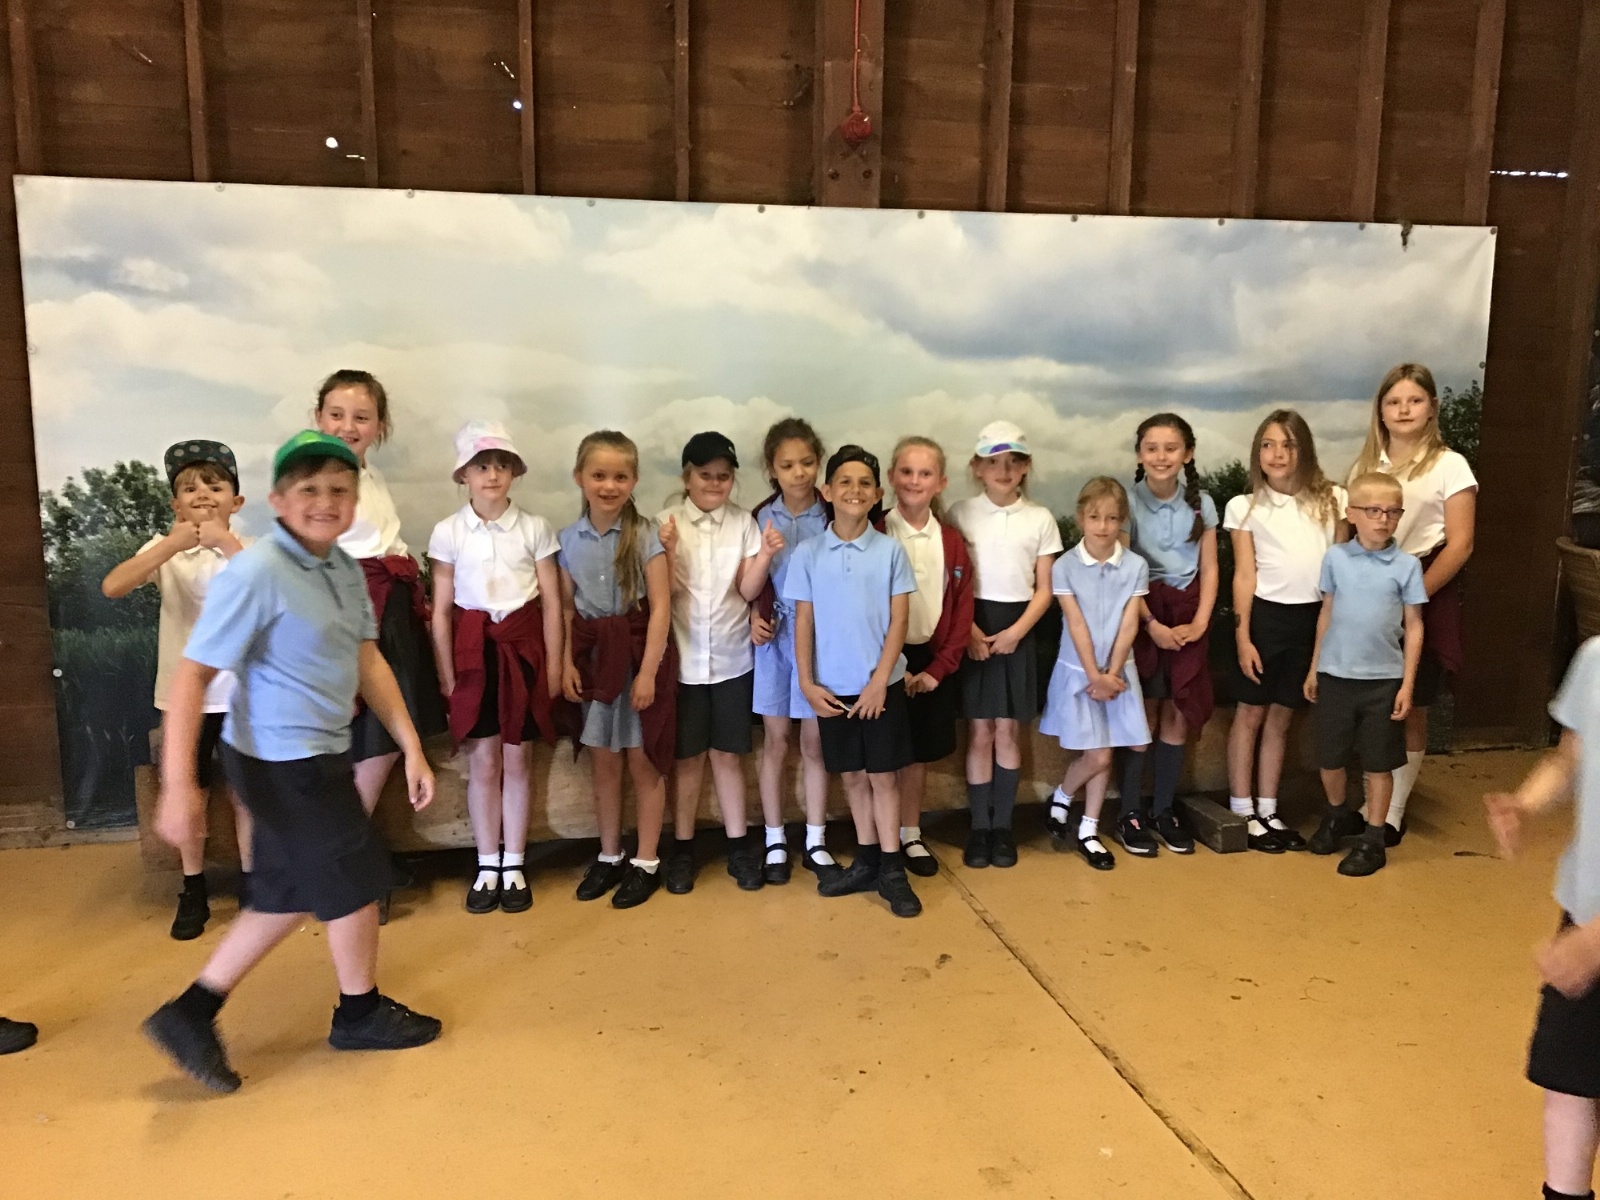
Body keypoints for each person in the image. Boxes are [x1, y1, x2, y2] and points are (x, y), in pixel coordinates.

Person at [143, 431, 441, 1095]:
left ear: (354, 500)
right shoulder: (256, 573)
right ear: (278, 500)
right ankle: (357, 1012)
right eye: (308, 489)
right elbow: (192, 677)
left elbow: (368, 660)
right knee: (351, 879)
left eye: (339, 489)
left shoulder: (343, 570)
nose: (325, 501)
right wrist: (179, 787)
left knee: (292, 889)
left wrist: (412, 745)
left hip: (319, 752)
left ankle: (193, 1011)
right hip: (280, 761)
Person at [102, 440, 255, 939]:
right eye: (190, 489)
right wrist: (171, 545)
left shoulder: (251, 548)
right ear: (175, 504)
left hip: (242, 693)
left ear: (236, 501)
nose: (203, 494)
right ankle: (193, 886)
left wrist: (225, 543)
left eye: (215, 486)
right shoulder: (164, 550)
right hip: (184, 698)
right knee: (188, 789)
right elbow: (113, 586)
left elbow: (268, 593)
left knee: (245, 793)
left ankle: (254, 883)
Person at [315, 369, 446, 915]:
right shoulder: (319, 478)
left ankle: (354, 857)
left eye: (362, 417)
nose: (349, 426)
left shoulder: (369, 475)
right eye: (337, 415)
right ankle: (342, 867)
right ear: (318, 418)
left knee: (387, 737)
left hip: (388, 612)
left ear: (380, 426)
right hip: (351, 614)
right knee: (369, 740)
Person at [428, 421, 562, 914]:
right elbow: (441, 611)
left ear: (513, 473)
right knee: (483, 761)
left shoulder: (534, 528)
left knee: (518, 758)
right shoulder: (448, 532)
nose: (492, 475)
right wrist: (447, 675)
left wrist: (551, 669)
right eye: (481, 466)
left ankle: (515, 863)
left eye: (501, 465)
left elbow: (552, 603)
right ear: (464, 475)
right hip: (474, 655)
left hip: (522, 652)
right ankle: (487, 862)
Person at [1485, 638, 1600, 1200]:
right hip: (1585, 913)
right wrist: (1527, 804)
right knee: (1568, 1080)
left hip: (1592, 938)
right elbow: (1568, 757)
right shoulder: (1596, 660)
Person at [786, 445, 921, 916]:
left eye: (865, 483)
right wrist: (807, 682)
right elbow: (803, 621)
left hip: (880, 685)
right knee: (853, 776)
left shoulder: (890, 551)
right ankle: (866, 861)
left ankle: (893, 869)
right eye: (844, 481)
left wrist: (880, 681)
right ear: (826, 491)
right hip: (832, 688)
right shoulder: (808, 553)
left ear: (878, 494)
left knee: (883, 776)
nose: (854, 490)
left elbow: (899, 621)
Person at [1348, 363, 1478, 844]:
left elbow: (1461, 543)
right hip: (1367, 593)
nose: (1404, 410)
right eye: (1393, 401)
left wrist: (1413, 593)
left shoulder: (1450, 465)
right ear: (1380, 411)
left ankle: (1393, 811)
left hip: (1424, 586)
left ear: (1432, 408)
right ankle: (1369, 802)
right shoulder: (1366, 467)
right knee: (1371, 700)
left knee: (1411, 704)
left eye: (1414, 400)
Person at [657, 431, 782, 894]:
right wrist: (669, 550)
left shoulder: (743, 524)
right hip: (684, 661)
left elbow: (747, 590)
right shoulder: (666, 523)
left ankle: (738, 848)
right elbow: (666, 592)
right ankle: (683, 849)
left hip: (733, 659)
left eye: (723, 476)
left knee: (729, 757)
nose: (714, 483)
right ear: (687, 477)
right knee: (688, 760)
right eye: (705, 475)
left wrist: (765, 555)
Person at [557, 430, 676, 910]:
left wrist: (647, 673)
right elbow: (567, 609)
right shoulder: (567, 540)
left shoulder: (646, 536)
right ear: (579, 478)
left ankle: (646, 861)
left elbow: (661, 607)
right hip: (595, 663)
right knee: (605, 764)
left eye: (620, 477)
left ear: (634, 480)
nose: (609, 486)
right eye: (599, 475)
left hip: (639, 658)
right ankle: (609, 854)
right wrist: (565, 662)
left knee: (643, 762)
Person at [1224, 410, 1347, 852]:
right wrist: (1243, 638)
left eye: (1288, 444)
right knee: (1251, 714)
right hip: (1264, 619)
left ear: (1304, 450)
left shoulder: (1334, 500)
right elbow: (1244, 575)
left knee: (1281, 716)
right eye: (1268, 445)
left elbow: (1339, 570)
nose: (1277, 454)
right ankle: (1243, 809)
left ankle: (1269, 808)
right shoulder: (1244, 506)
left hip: (1313, 619)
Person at [948, 420, 1063, 869]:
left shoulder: (1040, 518)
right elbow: (951, 581)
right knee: (980, 731)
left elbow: (1045, 588)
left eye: (1013, 462)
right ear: (977, 467)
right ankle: (979, 827)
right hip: (974, 625)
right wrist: (969, 631)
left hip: (1019, 629)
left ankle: (1003, 828)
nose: (1003, 470)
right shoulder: (960, 513)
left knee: (1009, 731)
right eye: (993, 462)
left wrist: (1017, 632)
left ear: (1026, 467)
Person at [1303, 472, 1425, 877]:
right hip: (1335, 675)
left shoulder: (1407, 566)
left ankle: (1373, 838)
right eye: (1373, 510)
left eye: (1392, 512)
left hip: (1382, 681)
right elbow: (1326, 612)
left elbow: (1414, 626)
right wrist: (1315, 666)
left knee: (1378, 764)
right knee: (1330, 757)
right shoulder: (1336, 558)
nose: (1383, 519)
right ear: (1352, 513)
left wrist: (1407, 684)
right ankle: (1337, 815)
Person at [1118, 413, 1217, 858]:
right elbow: (1123, 572)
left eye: (1171, 448)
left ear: (1187, 454)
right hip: (1143, 614)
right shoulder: (1127, 501)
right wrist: (1151, 626)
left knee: (1177, 712)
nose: (1161, 457)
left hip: (1188, 616)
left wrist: (1200, 623)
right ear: (1140, 454)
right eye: (1152, 448)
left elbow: (1210, 568)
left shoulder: (1202, 504)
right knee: (1142, 715)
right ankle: (1130, 812)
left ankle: (1163, 809)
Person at [1040, 479, 1151, 872]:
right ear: (1080, 518)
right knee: (1099, 754)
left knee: (1106, 751)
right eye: (1094, 517)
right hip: (1080, 674)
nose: (1103, 526)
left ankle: (1088, 828)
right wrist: (1095, 675)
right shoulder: (1065, 566)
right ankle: (1063, 795)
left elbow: (1129, 624)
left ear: (1122, 521)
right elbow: (1075, 623)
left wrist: (1113, 674)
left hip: (1118, 675)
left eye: (1112, 518)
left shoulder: (1135, 566)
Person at [749, 418, 833, 884]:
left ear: (818, 463)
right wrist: (752, 615)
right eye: (787, 465)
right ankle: (775, 839)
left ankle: (816, 839)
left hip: (822, 644)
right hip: (775, 643)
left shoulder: (833, 511)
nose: (799, 473)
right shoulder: (759, 517)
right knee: (776, 741)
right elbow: (745, 582)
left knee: (815, 743)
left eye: (807, 462)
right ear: (771, 469)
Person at [886, 436, 973, 879]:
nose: (914, 481)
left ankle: (910, 832)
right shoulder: (876, 532)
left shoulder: (952, 542)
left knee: (917, 755)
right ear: (891, 477)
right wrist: (892, 668)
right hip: (885, 663)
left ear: (941, 482)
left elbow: (961, 612)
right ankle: (879, 838)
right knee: (884, 754)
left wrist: (938, 670)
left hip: (932, 662)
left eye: (925, 474)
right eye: (906, 472)